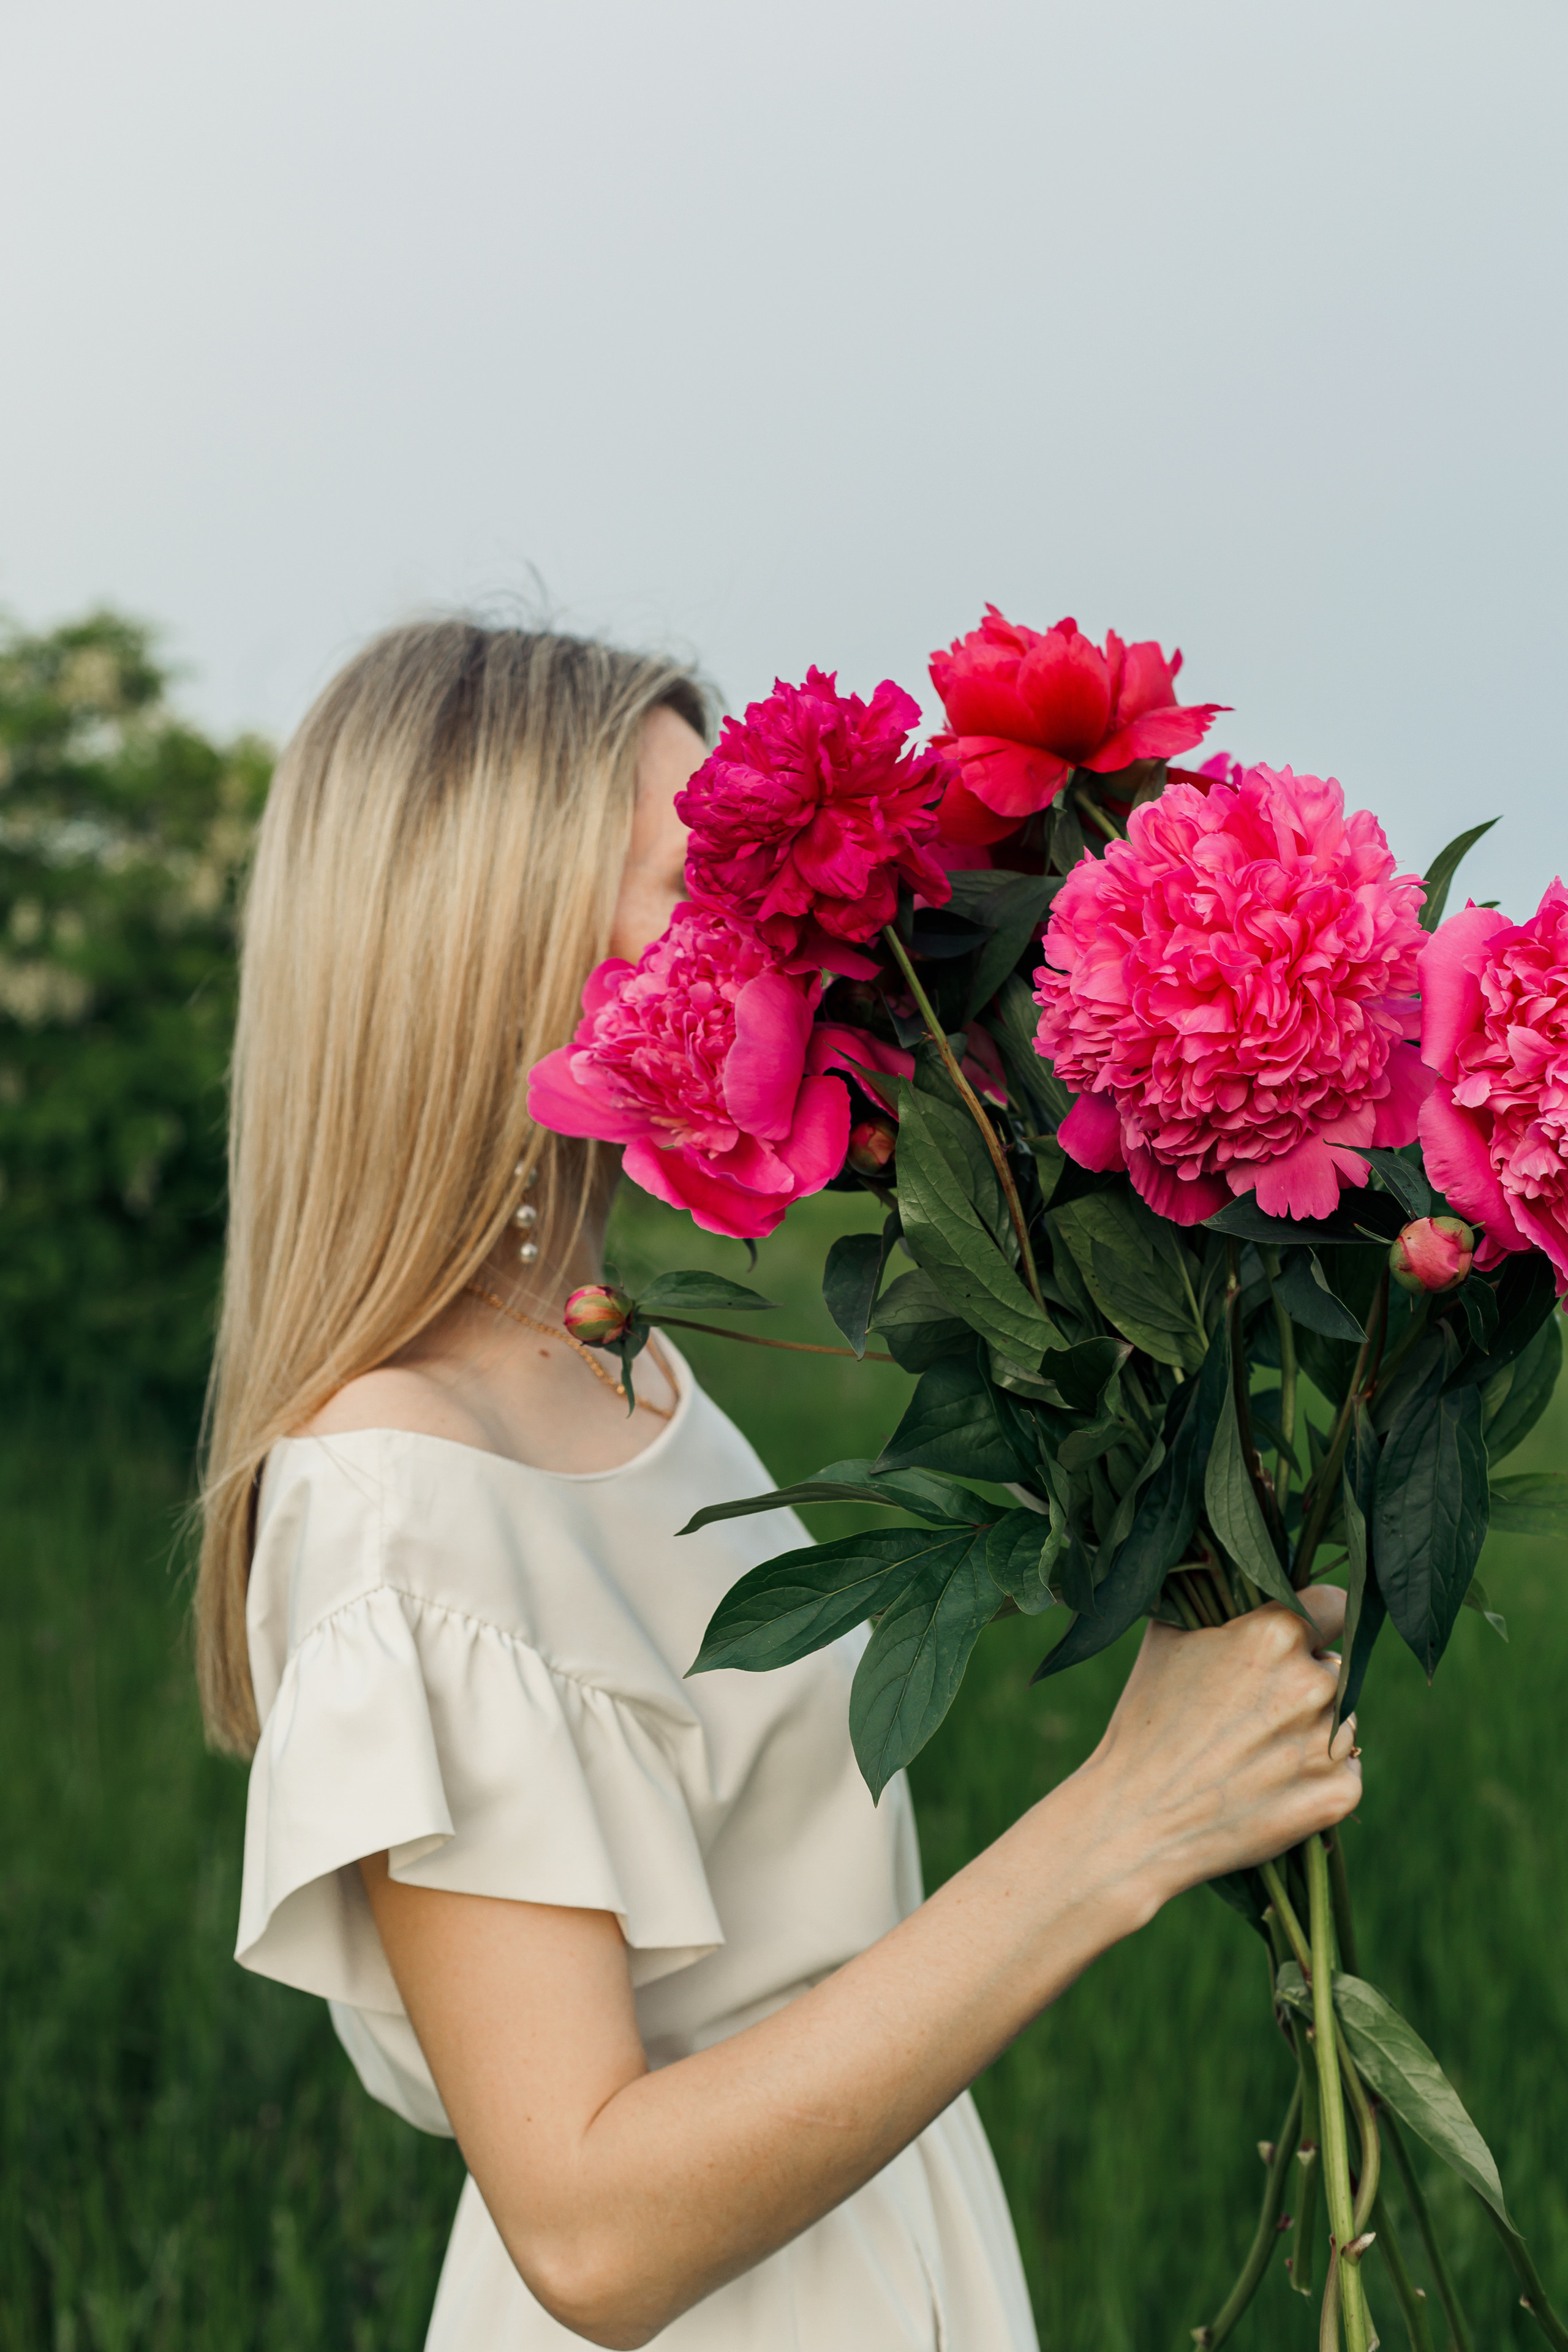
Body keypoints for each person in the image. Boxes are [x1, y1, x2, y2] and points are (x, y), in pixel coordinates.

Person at [197, 620, 1362, 2352]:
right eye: (703, 884)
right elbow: (590, 2231)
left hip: (866, 2243)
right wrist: (1127, 1820)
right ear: (492, 950)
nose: (777, 931)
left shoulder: (613, 1359)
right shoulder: (399, 1492)